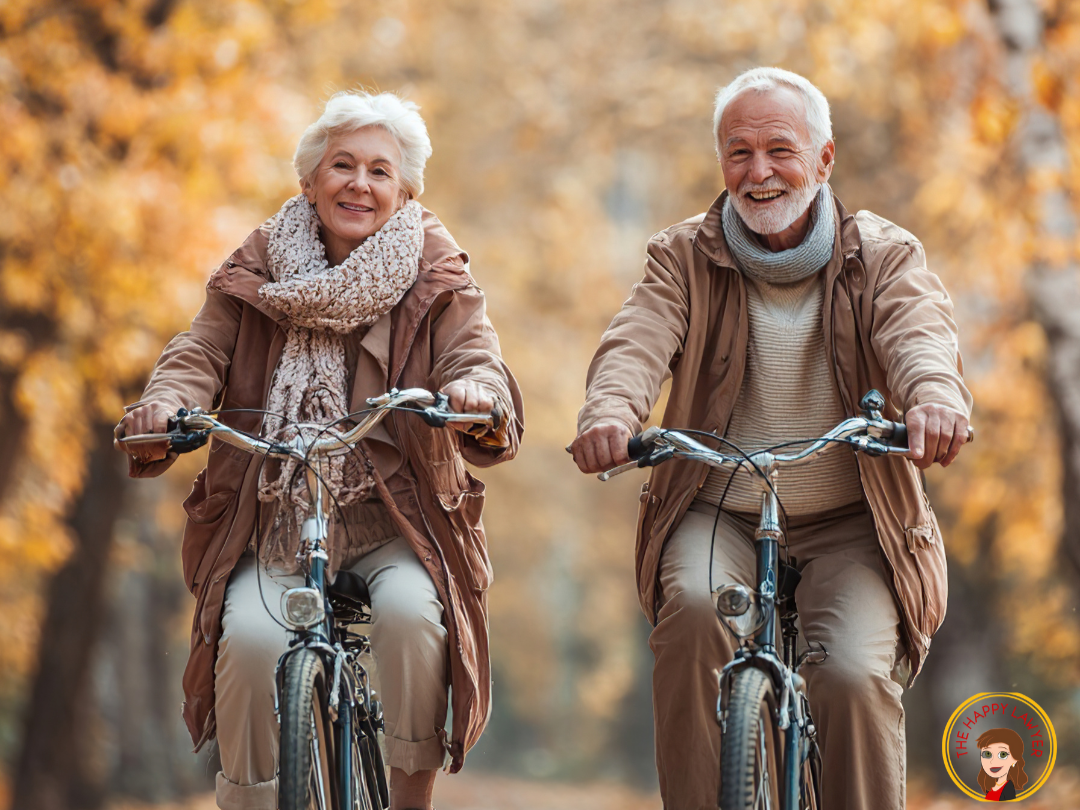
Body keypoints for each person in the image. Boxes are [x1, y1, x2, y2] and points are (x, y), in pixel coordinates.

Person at [570, 67, 970, 810]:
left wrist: (935, 399)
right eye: (738, 153)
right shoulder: (681, 255)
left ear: (824, 159)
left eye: (780, 150)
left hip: (853, 520)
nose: (758, 173)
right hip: (716, 507)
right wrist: (610, 413)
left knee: (851, 672)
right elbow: (636, 341)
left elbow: (919, 336)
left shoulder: (884, 254)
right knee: (692, 612)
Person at [115, 90, 523, 810]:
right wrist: (165, 401)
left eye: (378, 171)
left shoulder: (436, 272)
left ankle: (408, 794)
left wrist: (474, 395)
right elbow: (199, 350)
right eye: (342, 166)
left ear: (403, 192)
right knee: (244, 643)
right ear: (310, 180)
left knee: (408, 616)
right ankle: (248, 800)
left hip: (393, 515)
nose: (358, 184)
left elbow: (474, 356)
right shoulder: (258, 265)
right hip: (272, 517)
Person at [976, 728, 1028, 800]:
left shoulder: (1008, 789)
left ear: (1014, 759)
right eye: (987, 754)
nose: (993, 761)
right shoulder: (989, 787)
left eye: (1003, 754)